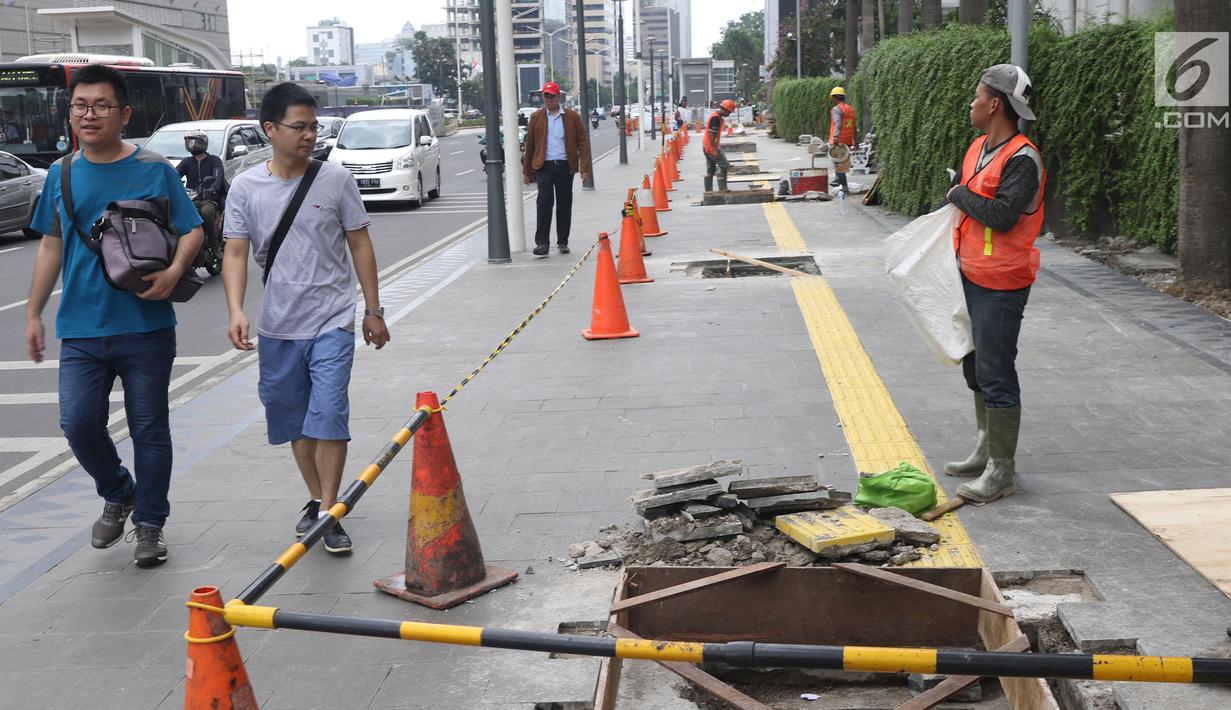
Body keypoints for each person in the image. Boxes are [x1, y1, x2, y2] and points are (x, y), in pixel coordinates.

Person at [24, 64, 205, 567]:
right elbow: (51, 246)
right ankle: (118, 490)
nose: (89, 114)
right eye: (81, 106)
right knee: (79, 424)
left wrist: (173, 273)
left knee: (149, 429)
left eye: (101, 105)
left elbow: (192, 229)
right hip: (81, 329)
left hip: (146, 326)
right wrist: (34, 313)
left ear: (123, 114)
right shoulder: (61, 174)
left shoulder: (154, 169)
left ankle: (150, 524)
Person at [222, 82, 390, 554]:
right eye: (299, 127)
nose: (310, 135)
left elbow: (359, 242)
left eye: (314, 126)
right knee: (296, 421)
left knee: (329, 412)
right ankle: (316, 499)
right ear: (270, 130)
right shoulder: (246, 188)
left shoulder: (334, 179)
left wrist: (373, 310)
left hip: (332, 318)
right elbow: (234, 252)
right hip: (277, 325)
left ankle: (329, 511)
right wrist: (236, 309)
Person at [942, 64, 1045, 504]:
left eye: (977, 95)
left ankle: (1002, 471)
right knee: (975, 364)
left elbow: (1002, 216)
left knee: (996, 370)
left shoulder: (1023, 159)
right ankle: (986, 450)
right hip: (969, 273)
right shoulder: (978, 147)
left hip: (1002, 281)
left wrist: (957, 193)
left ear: (995, 104)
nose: (971, 103)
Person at [522, 81, 590, 256]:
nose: (549, 99)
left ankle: (562, 242)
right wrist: (527, 171)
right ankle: (542, 243)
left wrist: (585, 168)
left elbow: (583, 142)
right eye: (546, 96)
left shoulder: (571, 117)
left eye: (552, 96)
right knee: (544, 203)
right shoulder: (536, 118)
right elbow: (530, 145)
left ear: (558, 97)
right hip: (543, 166)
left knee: (564, 205)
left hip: (565, 166)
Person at [175, 129, 226, 255]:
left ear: (203, 143)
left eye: (195, 142)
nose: (192, 145)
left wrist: (211, 189)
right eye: (190, 142)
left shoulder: (214, 160)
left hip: (208, 199)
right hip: (191, 199)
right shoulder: (186, 162)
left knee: (207, 212)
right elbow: (174, 175)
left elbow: (218, 177)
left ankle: (214, 246)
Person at [828, 87, 857, 192]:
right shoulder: (850, 109)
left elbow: (838, 124)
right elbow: (854, 126)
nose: (832, 100)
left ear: (835, 97)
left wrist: (835, 137)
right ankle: (839, 182)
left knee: (839, 165)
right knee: (842, 165)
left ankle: (843, 187)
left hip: (838, 141)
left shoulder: (836, 109)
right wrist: (855, 141)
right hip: (848, 140)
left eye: (832, 98)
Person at [703, 99, 735, 192]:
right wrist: (714, 149)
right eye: (729, 112)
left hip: (706, 146)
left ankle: (709, 192)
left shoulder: (716, 117)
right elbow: (711, 135)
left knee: (711, 170)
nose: (729, 114)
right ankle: (723, 189)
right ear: (725, 109)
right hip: (711, 147)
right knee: (724, 166)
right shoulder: (715, 118)